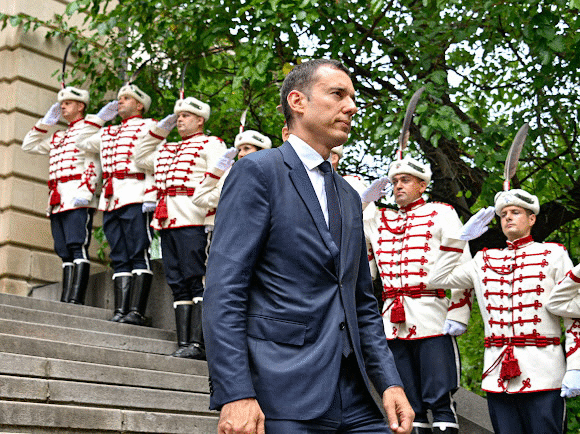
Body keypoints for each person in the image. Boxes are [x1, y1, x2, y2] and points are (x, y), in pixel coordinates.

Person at [203, 59, 414, 434]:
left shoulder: (349, 196)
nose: (350, 106)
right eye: (337, 94)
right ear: (298, 101)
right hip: (280, 391)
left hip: (355, 395)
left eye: (352, 98)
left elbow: (361, 301)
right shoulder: (257, 172)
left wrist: (390, 381)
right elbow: (224, 290)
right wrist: (234, 393)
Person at [428, 189, 580, 434]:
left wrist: (576, 366)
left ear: (532, 219)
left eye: (516, 212)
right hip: (498, 377)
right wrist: (459, 239)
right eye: (504, 214)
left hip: (544, 373)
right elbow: (437, 279)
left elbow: (573, 316)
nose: (508, 217)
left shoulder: (553, 254)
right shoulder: (482, 261)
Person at [365, 155, 471, 434]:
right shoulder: (380, 218)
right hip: (392, 320)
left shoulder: (442, 213)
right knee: (410, 403)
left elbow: (462, 265)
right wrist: (364, 201)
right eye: (395, 181)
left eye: (406, 180)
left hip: (431, 313)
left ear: (422, 185)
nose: (398, 186)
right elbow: (356, 232)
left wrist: (459, 311)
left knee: (441, 400)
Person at [135, 96, 226, 359]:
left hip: (194, 219)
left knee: (196, 279)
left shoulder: (212, 144)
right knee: (178, 282)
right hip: (167, 221)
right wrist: (159, 131)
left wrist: (207, 203)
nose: (180, 120)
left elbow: (222, 179)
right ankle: (185, 342)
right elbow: (140, 156)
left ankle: (198, 343)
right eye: (178, 116)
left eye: (186, 116)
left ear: (200, 120)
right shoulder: (165, 149)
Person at [78, 83, 157, 325]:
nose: (119, 101)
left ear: (140, 105)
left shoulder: (149, 126)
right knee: (119, 255)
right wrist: (98, 119)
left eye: (126, 98)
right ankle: (122, 310)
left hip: (136, 195)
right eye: (119, 98)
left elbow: (155, 160)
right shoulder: (108, 132)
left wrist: (151, 196)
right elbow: (81, 141)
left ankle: (136, 310)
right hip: (112, 199)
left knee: (138, 251)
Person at [22, 86, 101, 305]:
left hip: (77, 195)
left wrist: (87, 191)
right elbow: (29, 145)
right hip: (58, 199)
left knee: (77, 246)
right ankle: (67, 298)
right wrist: (45, 123)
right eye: (61, 104)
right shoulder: (59, 136)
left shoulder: (88, 129)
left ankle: (76, 299)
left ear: (80, 106)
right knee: (64, 249)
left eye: (67, 103)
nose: (62, 107)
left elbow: (92, 162)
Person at [191, 128, 272, 232]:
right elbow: (198, 198)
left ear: (261, 151)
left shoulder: (273, 178)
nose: (241, 154)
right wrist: (217, 171)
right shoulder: (231, 181)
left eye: (246, 148)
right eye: (239, 150)